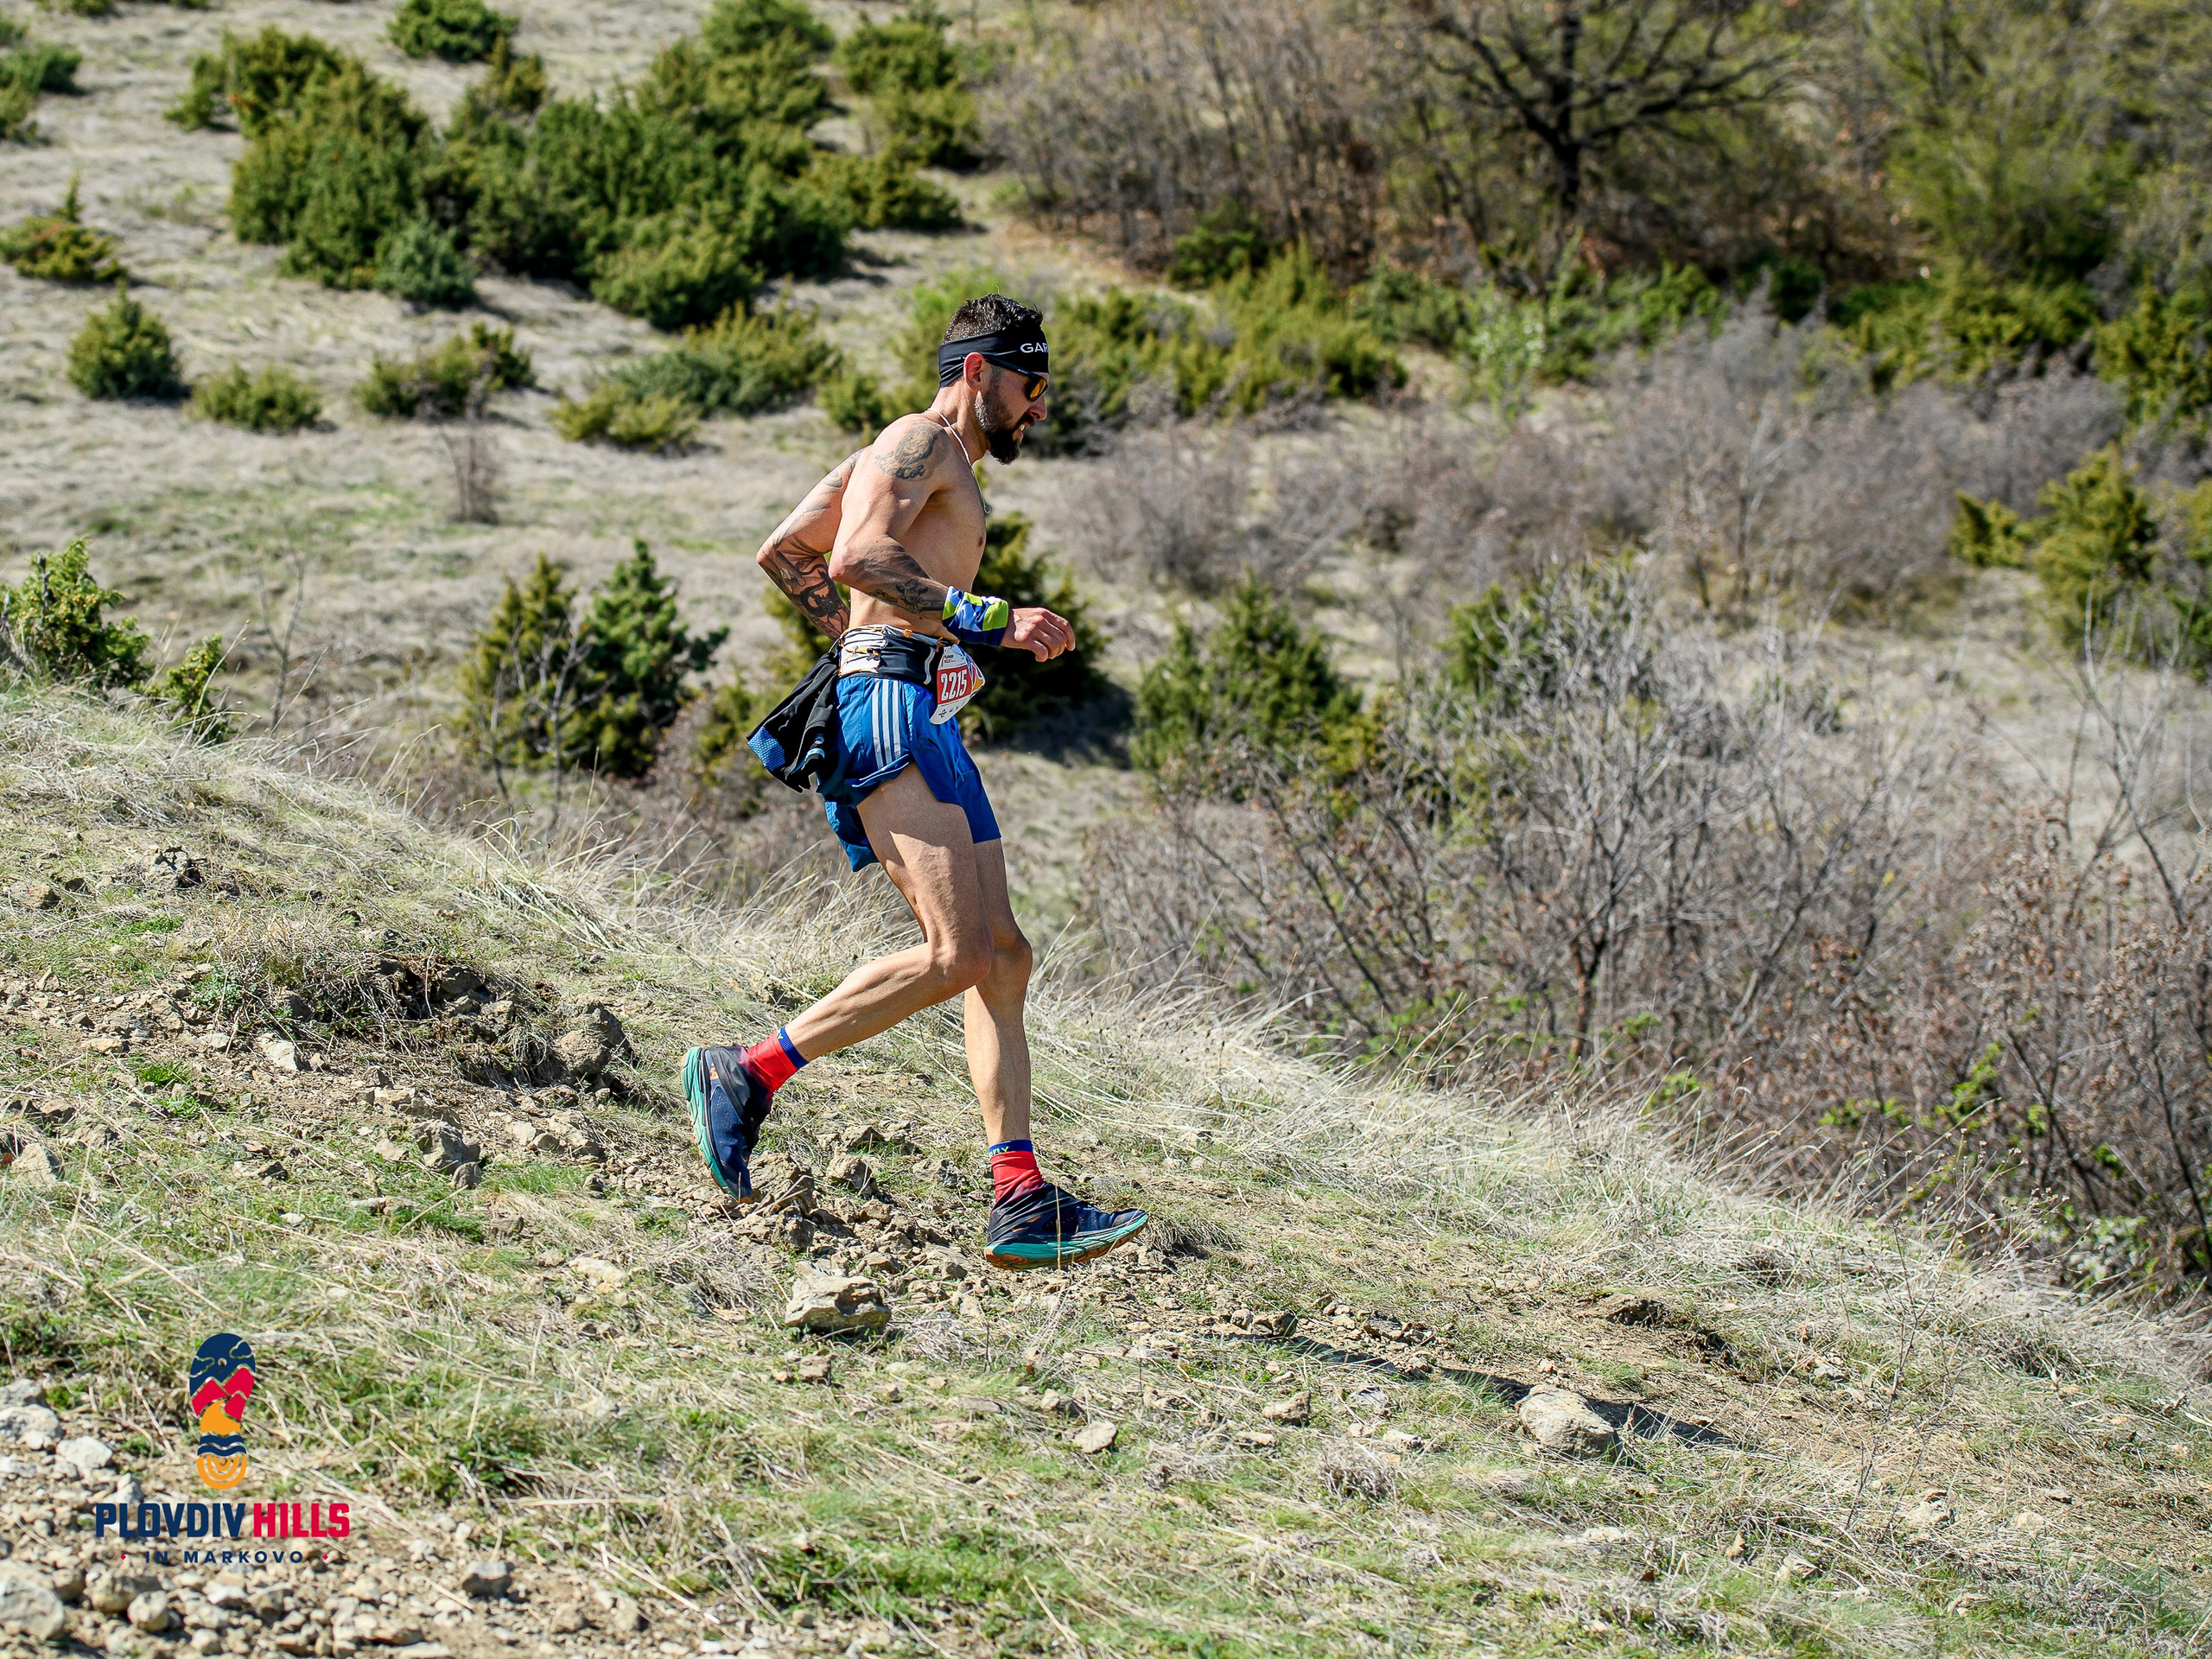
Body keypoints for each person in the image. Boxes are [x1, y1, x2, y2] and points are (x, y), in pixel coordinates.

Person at [681, 294, 1148, 1271]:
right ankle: (744, 1070)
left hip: (919, 704)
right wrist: (970, 623)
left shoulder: (915, 464)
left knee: (1004, 956)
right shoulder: (916, 443)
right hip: (890, 705)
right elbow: (849, 556)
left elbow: (788, 550)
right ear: (977, 372)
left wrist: (893, 640)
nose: (1040, 409)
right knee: (954, 953)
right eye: (1031, 385)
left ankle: (1019, 1198)